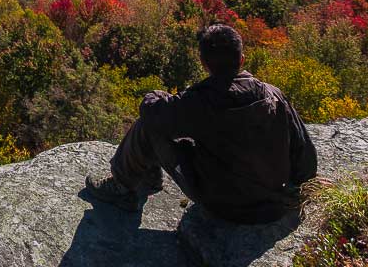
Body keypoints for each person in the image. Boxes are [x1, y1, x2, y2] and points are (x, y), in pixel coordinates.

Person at [85, 23, 317, 224]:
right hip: (272, 205)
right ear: (242, 59)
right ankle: (148, 177)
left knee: (150, 125)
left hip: (222, 205)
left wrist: (156, 94)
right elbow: (305, 154)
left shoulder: (200, 102)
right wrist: (294, 189)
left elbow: (151, 111)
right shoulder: (273, 95)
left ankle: (122, 187)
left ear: (204, 63)